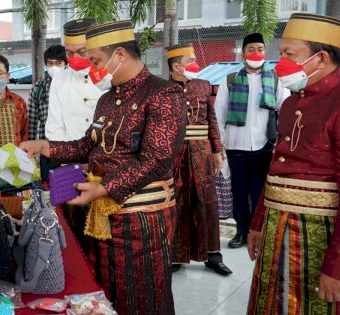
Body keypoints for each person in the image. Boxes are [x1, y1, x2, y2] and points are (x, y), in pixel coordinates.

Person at [20, 20, 186, 315]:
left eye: (95, 60)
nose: (91, 67)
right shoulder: (108, 99)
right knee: (104, 291)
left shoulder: (163, 94)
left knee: (141, 294)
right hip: (103, 212)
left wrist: (105, 187)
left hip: (140, 218)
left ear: (119, 55)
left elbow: (157, 158)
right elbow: (88, 145)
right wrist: (44, 146)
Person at [246, 13, 340, 314]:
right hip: (277, 228)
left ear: (321, 58)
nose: (281, 61)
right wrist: (259, 221)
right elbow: (277, 168)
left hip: (318, 235)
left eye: (290, 54)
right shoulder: (291, 102)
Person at [214, 32, 289, 248]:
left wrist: (279, 145)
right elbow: (219, 115)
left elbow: (284, 111)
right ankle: (241, 231)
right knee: (238, 192)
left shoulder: (276, 80)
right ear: (243, 54)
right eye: (251, 49)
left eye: (260, 49)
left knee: (259, 194)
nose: (256, 53)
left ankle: (259, 232)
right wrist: (220, 147)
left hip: (265, 146)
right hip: (235, 146)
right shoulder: (229, 80)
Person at [166, 43, 231, 276]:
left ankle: (212, 255)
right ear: (177, 66)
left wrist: (216, 152)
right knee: (177, 201)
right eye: (190, 60)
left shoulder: (203, 86)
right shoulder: (163, 89)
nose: (196, 63)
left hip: (202, 152)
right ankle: (176, 255)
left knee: (206, 201)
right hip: (174, 154)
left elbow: (212, 120)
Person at [44, 18, 105, 142]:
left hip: (107, 155)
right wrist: (69, 157)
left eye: (82, 52)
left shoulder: (111, 75)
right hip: (71, 156)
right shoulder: (60, 79)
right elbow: (54, 128)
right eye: (69, 53)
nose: (75, 58)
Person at [28, 44, 67, 141]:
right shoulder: (38, 88)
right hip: (46, 146)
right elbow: (31, 122)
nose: (54, 67)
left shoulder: (74, 86)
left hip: (72, 146)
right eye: (50, 63)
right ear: (46, 65)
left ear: (66, 64)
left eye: (58, 63)